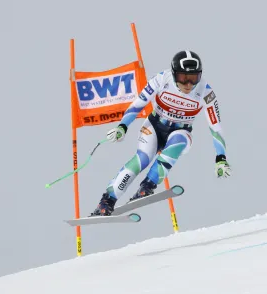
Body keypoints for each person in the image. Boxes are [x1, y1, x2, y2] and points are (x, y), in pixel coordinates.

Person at [91, 50, 231, 216]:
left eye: (193, 78)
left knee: (177, 142)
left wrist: (221, 159)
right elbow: (138, 104)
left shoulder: (206, 93)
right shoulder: (161, 79)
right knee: (142, 159)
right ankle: (107, 201)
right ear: (173, 74)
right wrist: (122, 127)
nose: (188, 84)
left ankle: (147, 186)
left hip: (181, 131)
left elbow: (215, 127)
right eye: (183, 78)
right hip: (154, 126)